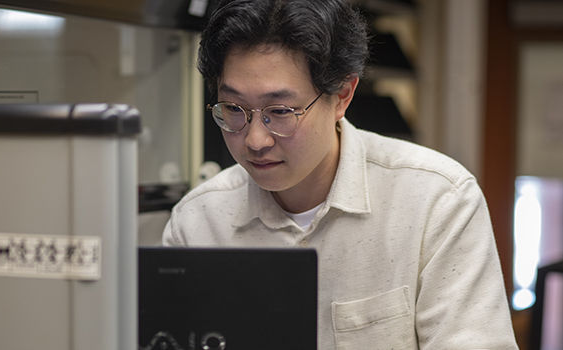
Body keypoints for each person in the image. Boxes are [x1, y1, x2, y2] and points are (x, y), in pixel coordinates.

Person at [162, 0, 518, 348]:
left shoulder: (436, 201)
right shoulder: (198, 223)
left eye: (281, 111)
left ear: (342, 95)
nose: (255, 140)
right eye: (233, 108)